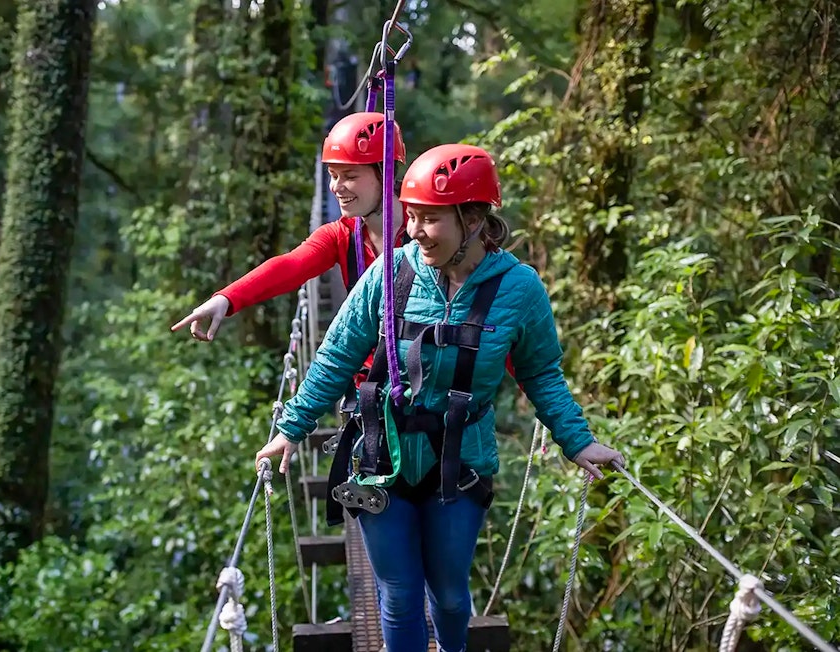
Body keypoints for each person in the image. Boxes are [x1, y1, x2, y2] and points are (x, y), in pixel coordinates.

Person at [254, 143, 624, 652]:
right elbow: (336, 355)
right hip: (381, 454)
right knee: (401, 595)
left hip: (461, 460)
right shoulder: (390, 272)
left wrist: (578, 442)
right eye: (412, 216)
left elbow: (540, 373)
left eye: (430, 219)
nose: (413, 231)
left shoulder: (519, 289)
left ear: (472, 219)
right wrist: (290, 431)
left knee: (450, 599)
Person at [170, 111, 408, 343]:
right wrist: (227, 298)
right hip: (368, 374)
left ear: (385, 173)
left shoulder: (428, 231)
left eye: (350, 176)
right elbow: (290, 265)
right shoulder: (342, 236)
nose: (336, 187)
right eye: (333, 175)